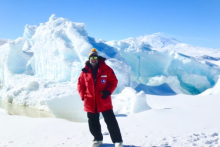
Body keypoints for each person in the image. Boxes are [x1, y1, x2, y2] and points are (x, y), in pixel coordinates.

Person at [77, 48, 123, 147]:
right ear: (89, 59)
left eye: (95, 57)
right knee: (93, 122)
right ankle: (97, 139)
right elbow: (80, 84)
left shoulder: (106, 69)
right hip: (90, 101)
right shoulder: (85, 71)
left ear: (98, 58)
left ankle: (118, 141)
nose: (93, 59)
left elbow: (113, 81)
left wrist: (108, 91)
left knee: (111, 121)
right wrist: (83, 96)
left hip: (104, 99)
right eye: (91, 57)